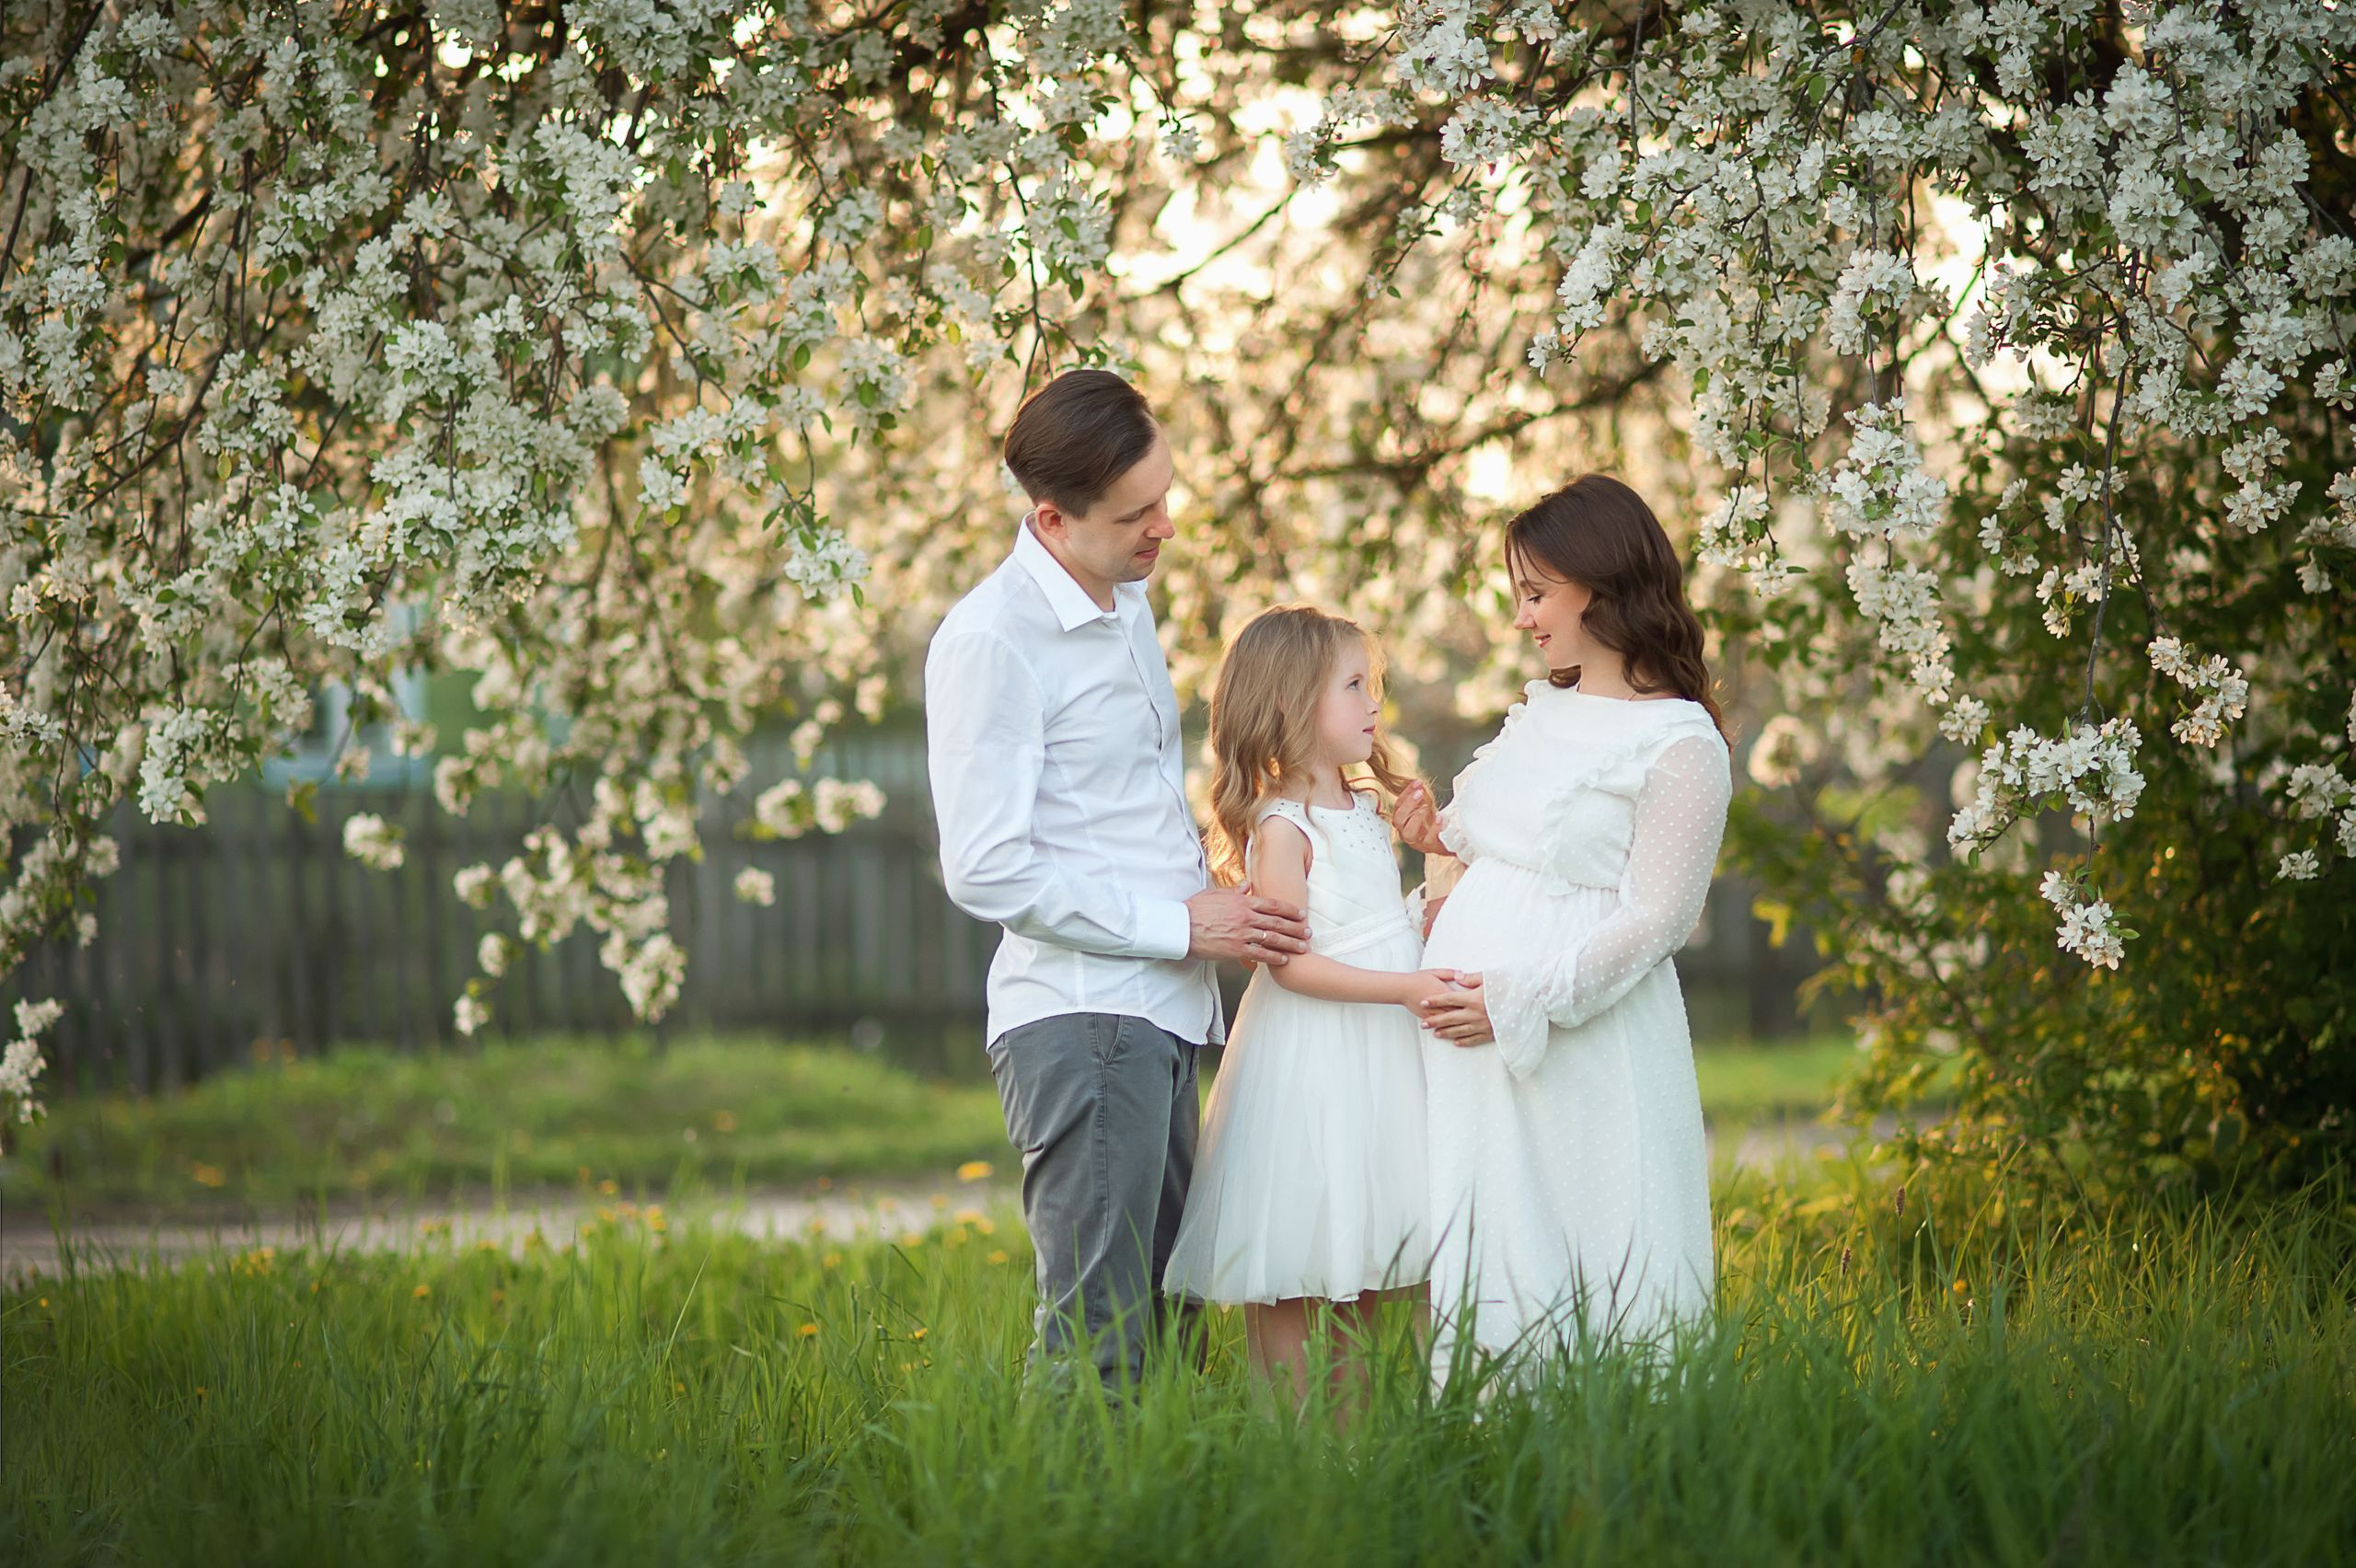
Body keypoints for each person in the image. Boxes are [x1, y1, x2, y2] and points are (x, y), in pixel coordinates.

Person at [925, 368, 1312, 1396]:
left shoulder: (1124, 600)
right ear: (1052, 518)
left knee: (1174, 1324)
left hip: (1163, 1016)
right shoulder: (992, 640)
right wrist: (1178, 925)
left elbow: (1116, 810)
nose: (1165, 529)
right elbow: (985, 864)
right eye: (1137, 514)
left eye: (1165, 496)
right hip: (1084, 1020)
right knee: (1100, 1343)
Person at [1395, 474, 1732, 1369]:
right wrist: (1435, 869)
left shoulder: (1679, 744)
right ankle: (1484, 1452)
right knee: (1489, 1246)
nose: (1521, 620)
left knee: (1594, 1250)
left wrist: (1518, 997)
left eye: (1535, 594)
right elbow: (1466, 847)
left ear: (1605, 584)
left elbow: (1657, 919)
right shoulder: (1539, 716)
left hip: (1581, 1039)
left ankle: (1614, 1465)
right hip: (1476, 1042)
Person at [1161, 605, 1449, 1404]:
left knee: (1355, 1250)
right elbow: (1291, 966)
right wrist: (1403, 987)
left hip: (1379, 1056)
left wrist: (1433, 878)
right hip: (1316, 1057)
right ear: (1290, 706)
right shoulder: (1283, 827)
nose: (1374, 706)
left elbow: (1380, 923)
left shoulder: (1365, 809)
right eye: (1355, 686)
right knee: (1298, 1249)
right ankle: (1295, 1440)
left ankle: (1352, 1442)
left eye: (1374, 686)